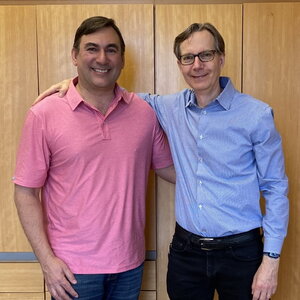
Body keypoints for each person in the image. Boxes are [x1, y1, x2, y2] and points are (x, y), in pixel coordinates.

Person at [36, 22, 289, 300]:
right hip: (186, 253)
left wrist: (271, 260)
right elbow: (112, 94)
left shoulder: (256, 115)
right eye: (187, 57)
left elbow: (276, 189)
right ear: (180, 63)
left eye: (206, 55)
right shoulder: (167, 107)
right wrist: (72, 85)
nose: (197, 65)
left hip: (241, 253)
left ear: (221, 58)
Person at [13, 16, 175, 300]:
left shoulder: (144, 113)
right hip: (71, 270)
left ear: (122, 59)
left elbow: (171, 169)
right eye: (92, 48)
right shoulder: (44, 114)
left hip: (129, 265)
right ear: (75, 56)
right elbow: (25, 192)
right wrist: (47, 262)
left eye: (111, 49)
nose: (102, 58)